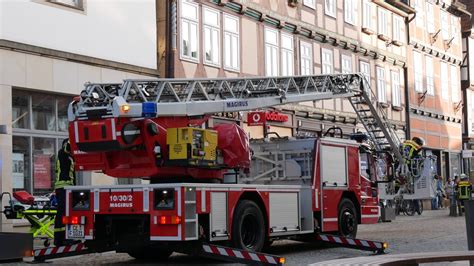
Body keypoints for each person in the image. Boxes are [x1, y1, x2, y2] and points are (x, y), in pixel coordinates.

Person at [54, 139, 76, 246]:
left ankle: (68, 236)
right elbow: (67, 148)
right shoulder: (62, 153)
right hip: (62, 187)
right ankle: (59, 239)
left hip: (69, 187)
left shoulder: (70, 157)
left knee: (68, 213)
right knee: (62, 213)